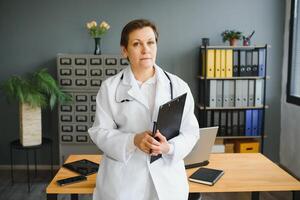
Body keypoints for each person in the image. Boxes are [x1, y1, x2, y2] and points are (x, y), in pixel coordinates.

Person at [88, 19, 199, 200]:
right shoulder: (110, 87)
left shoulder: (178, 86)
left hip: (166, 180)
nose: (145, 49)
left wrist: (169, 148)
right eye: (136, 44)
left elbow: (191, 132)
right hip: (123, 183)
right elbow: (99, 131)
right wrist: (133, 140)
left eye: (150, 42)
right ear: (124, 51)